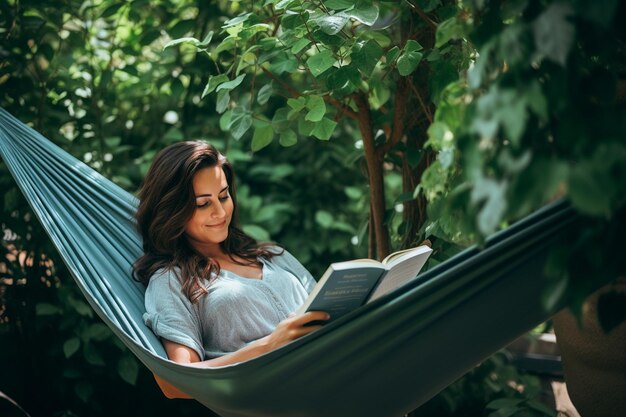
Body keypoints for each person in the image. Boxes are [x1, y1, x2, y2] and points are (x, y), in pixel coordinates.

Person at [133, 141, 329, 398]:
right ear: (173, 211)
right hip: (283, 399)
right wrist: (270, 345)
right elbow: (176, 382)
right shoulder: (172, 281)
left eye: (224, 196)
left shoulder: (273, 255)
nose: (220, 211)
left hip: (337, 371)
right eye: (203, 204)